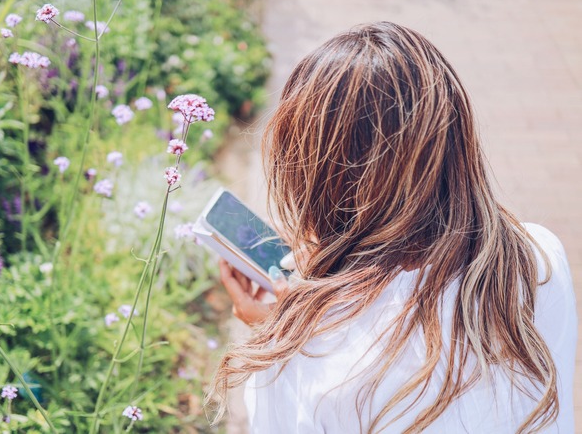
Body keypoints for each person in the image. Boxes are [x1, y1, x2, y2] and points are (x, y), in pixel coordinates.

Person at [208, 22, 577, 433]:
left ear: (315, 176)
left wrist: (280, 333)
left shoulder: (306, 354)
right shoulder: (539, 259)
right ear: (454, 142)